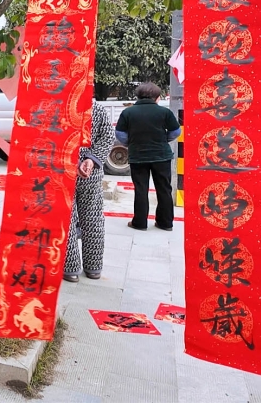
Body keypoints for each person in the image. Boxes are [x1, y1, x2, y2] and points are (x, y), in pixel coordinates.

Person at [115, 82, 180, 231]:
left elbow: (120, 134)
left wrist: (131, 143)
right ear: (157, 97)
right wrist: (164, 140)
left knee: (141, 189)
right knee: (164, 189)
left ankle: (139, 223)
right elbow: (176, 132)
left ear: (138, 96)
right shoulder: (164, 112)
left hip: (138, 155)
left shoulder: (128, 112)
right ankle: (165, 223)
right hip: (161, 156)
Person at [64, 103, 115, 282]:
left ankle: (70, 269)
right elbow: (108, 136)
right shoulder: (96, 108)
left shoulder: (61, 107)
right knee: (93, 218)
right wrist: (91, 159)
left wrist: (74, 161)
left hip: (65, 170)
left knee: (66, 219)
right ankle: (93, 268)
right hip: (91, 172)